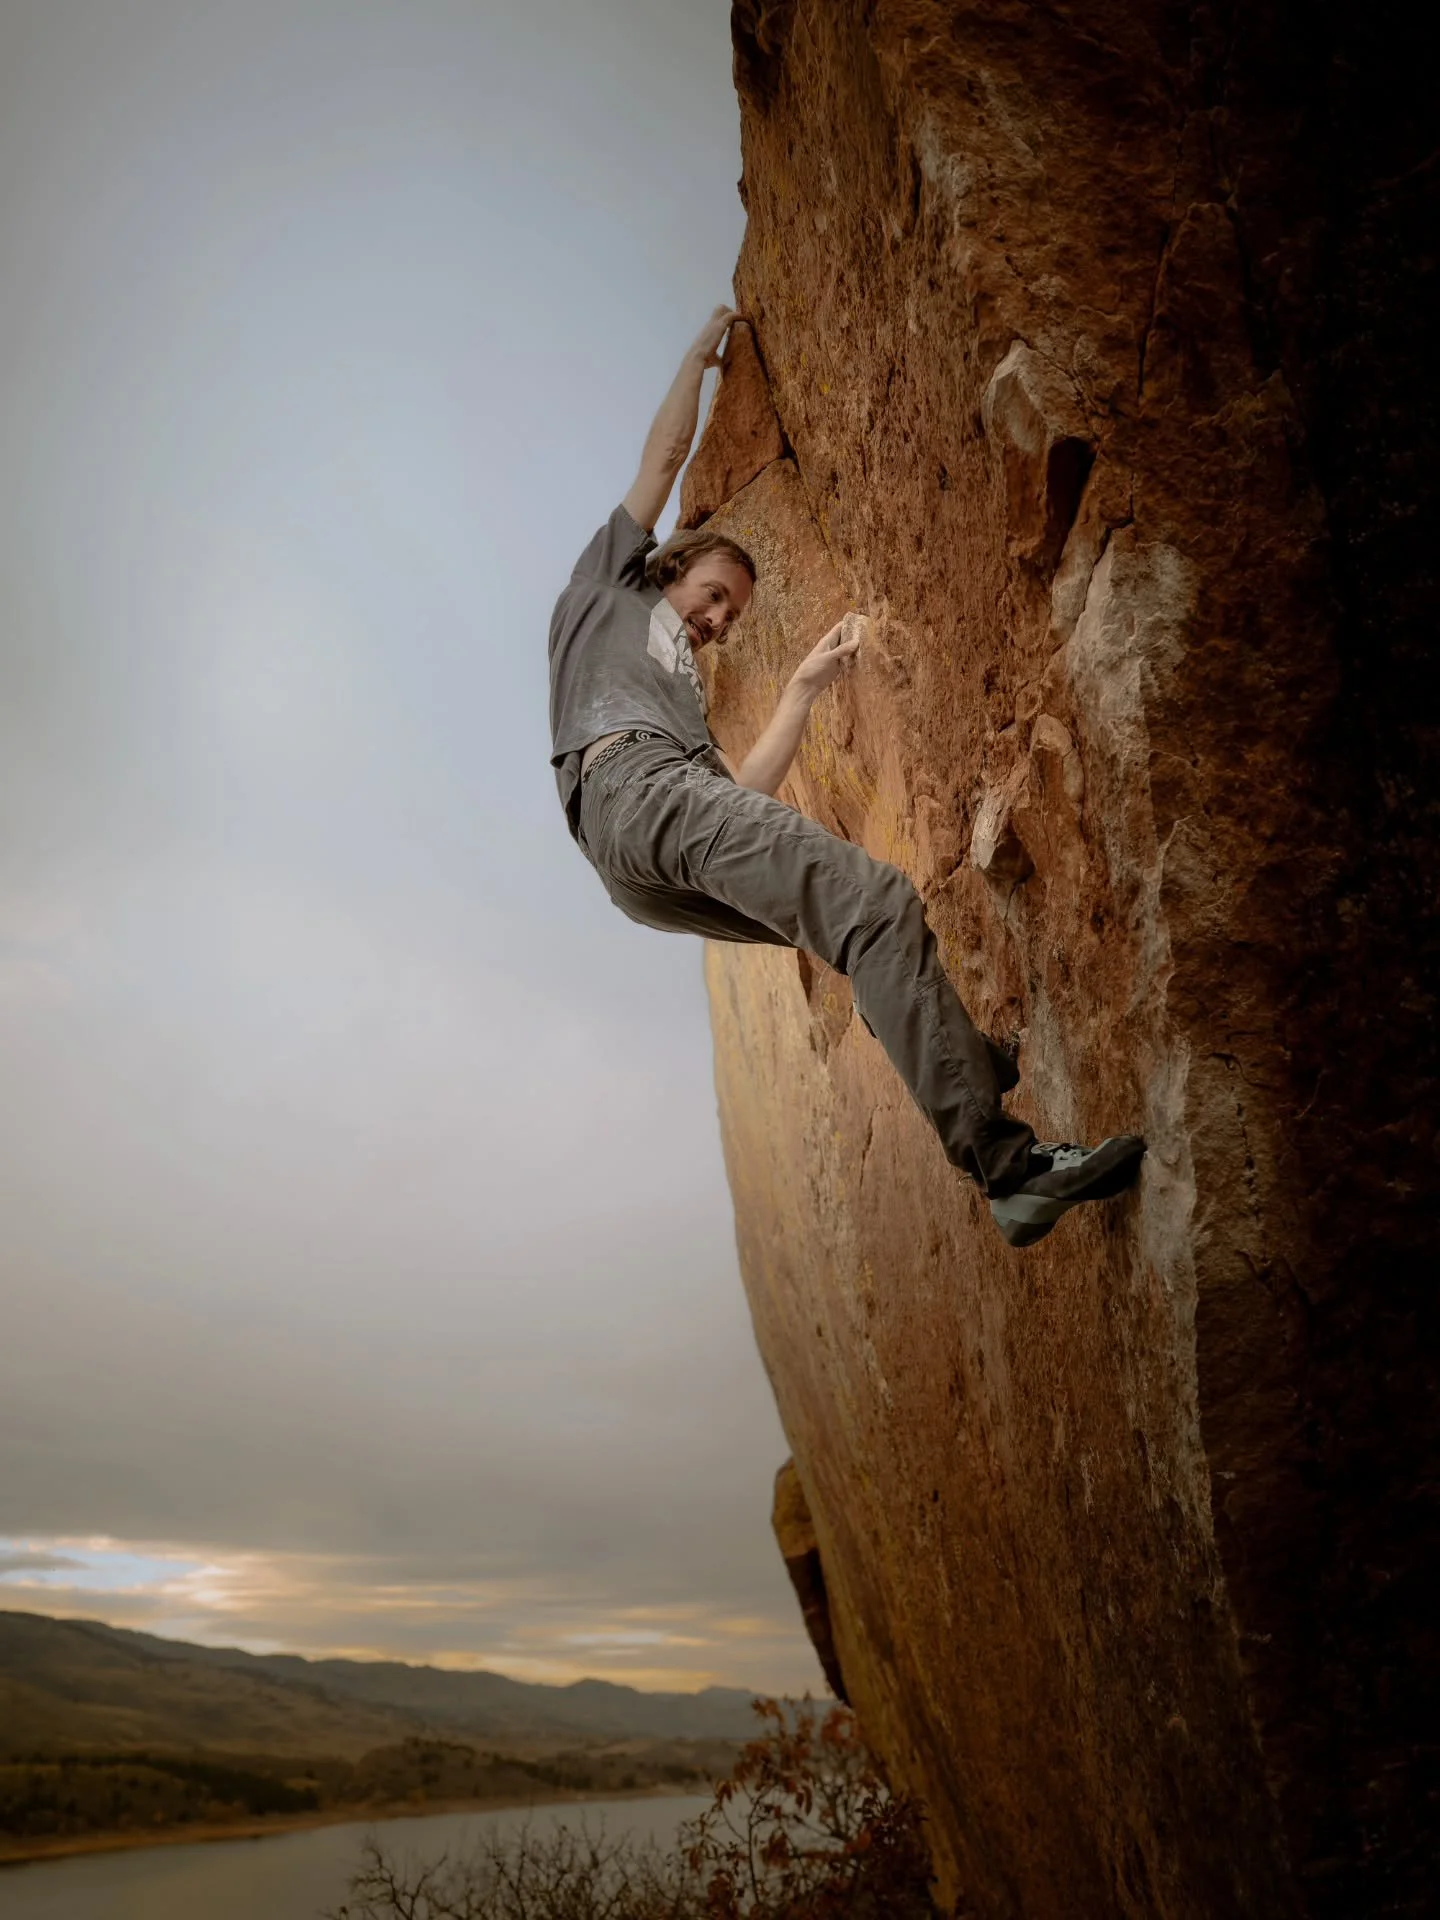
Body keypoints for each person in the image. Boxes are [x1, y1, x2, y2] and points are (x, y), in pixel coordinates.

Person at [548, 307, 1144, 1248]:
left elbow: (735, 800)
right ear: (670, 567)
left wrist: (799, 689)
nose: (715, 622)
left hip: (636, 861)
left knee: (848, 929)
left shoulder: (677, 704)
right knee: (871, 903)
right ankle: (1011, 1171)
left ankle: (966, 1065)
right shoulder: (604, 593)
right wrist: (695, 364)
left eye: (728, 618)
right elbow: (662, 464)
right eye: (713, 597)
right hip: (635, 792)